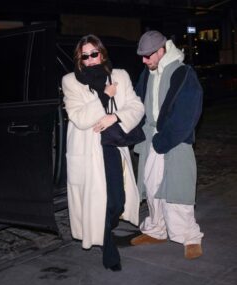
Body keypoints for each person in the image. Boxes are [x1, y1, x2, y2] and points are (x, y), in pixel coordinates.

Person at [61, 34, 144, 271]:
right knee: (98, 202)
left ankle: (107, 230)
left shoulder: (120, 76)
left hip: (113, 146)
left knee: (117, 202)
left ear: (102, 53)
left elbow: (136, 106)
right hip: (88, 152)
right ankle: (109, 249)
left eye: (94, 54)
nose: (90, 60)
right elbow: (79, 118)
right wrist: (105, 96)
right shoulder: (70, 81)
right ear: (79, 58)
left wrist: (114, 117)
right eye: (84, 56)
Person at [131, 30, 204, 259]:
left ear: (161, 50)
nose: (144, 61)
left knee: (177, 188)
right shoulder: (148, 72)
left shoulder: (183, 73)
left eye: (147, 56)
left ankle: (190, 237)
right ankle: (156, 229)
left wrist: (165, 140)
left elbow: (189, 113)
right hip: (152, 139)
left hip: (175, 140)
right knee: (152, 188)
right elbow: (138, 101)